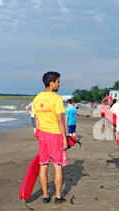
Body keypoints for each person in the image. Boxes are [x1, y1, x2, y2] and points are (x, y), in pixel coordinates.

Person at [32, 71, 68, 204]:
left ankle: (45, 196)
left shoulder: (37, 98)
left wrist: (38, 134)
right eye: (58, 82)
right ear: (51, 83)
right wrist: (64, 138)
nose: (59, 84)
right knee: (57, 165)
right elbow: (60, 120)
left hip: (42, 135)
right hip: (55, 135)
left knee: (43, 165)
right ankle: (58, 196)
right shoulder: (56, 98)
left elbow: (36, 120)